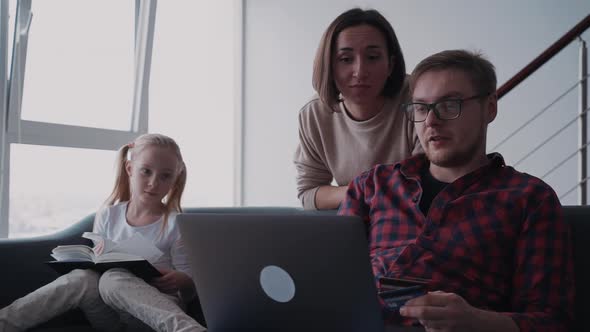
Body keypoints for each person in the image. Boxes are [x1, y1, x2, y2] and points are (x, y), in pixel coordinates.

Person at [338, 50, 574, 331]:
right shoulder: (373, 185)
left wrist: (478, 322)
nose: (431, 121)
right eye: (422, 108)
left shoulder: (529, 198)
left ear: (490, 107)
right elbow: (331, 277)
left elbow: (553, 321)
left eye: (449, 105)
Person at [0, 133, 206, 332]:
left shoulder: (175, 223)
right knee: (83, 278)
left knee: (113, 278)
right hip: (110, 314)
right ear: (130, 169)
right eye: (146, 171)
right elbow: (98, 265)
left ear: (175, 179)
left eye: (165, 176)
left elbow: (189, 292)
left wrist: (182, 281)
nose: (154, 183)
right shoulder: (109, 215)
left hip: (155, 316)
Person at [294, 8, 422, 210]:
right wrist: (362, 189)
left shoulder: (418, 99)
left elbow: (427, 182)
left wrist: (364, 190)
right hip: (354, 223)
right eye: (346, 59)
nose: (360, 72)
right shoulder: (314, 114)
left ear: (390, 64)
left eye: (372, 57)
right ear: (329, 65)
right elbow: (309, 194)